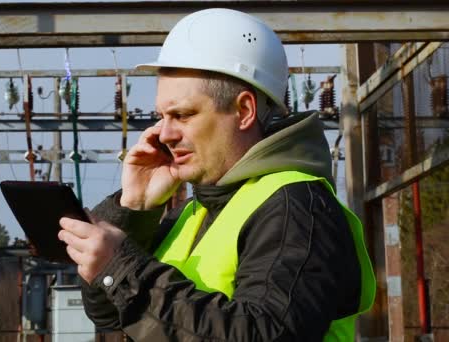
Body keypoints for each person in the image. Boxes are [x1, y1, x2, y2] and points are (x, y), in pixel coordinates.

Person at [58, 8, 375, 341]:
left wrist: (119, 267)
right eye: (162, 116)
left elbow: (265, 333)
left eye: (182, 115)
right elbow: (109, 313)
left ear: (244, 111)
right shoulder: (196, 212)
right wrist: (134, 209)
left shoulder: (296, 207)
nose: (163, 134)